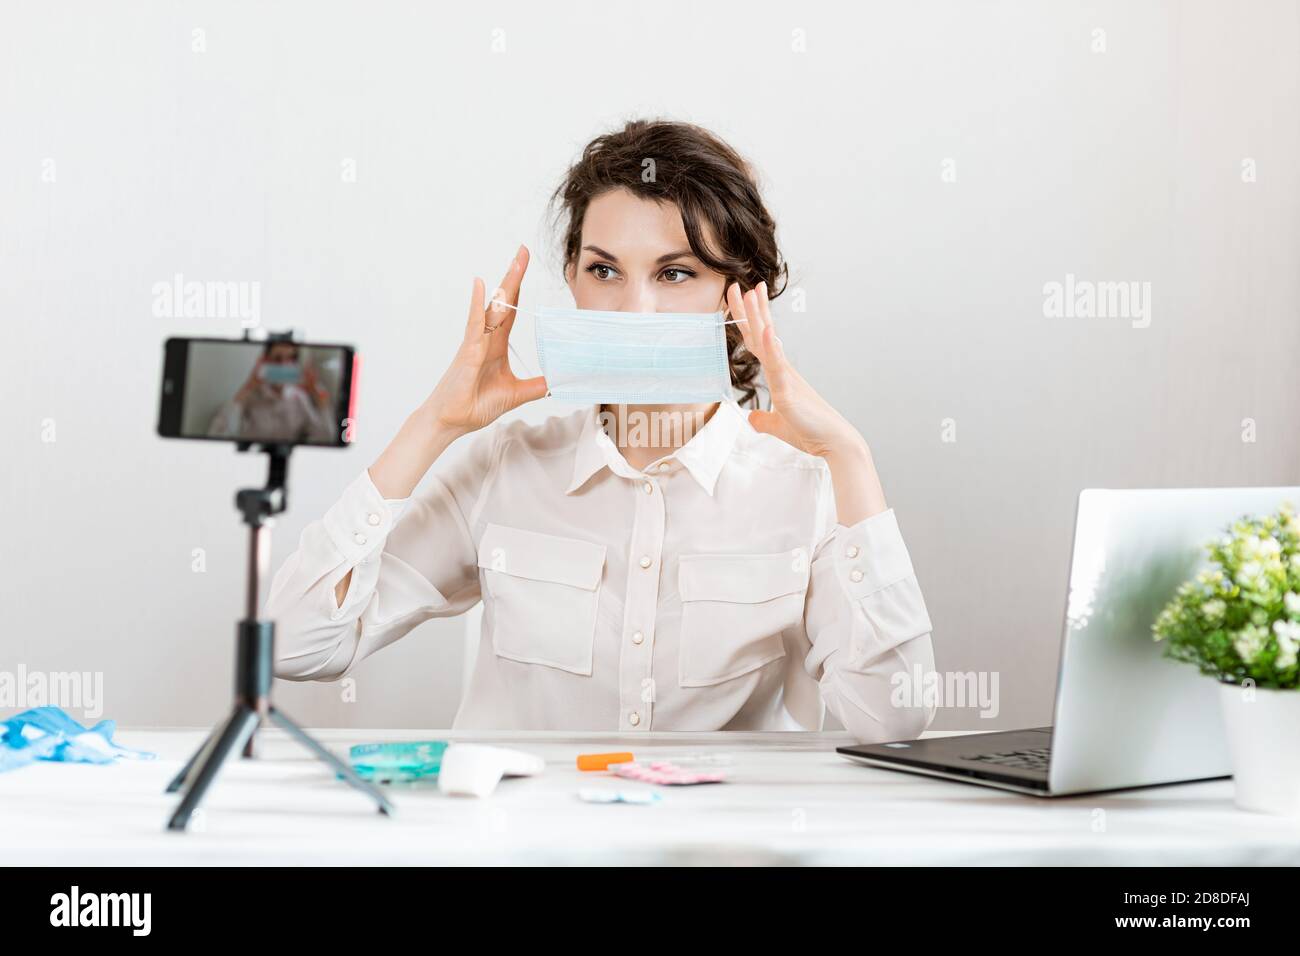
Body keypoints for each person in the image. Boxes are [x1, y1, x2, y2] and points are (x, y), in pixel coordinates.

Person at [266, 119, 936, 741]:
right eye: (605, 270)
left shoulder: (809, 490)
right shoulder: (505, 468)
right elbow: (297, 646)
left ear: (739, 298)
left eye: (675, 273)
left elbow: (893, 719)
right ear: (573, 282)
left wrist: (850, 457)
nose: (634, 311)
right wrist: (432, 425)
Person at [206, 341, 336, 444]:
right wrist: (248, 386)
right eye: (277, 359)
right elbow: (217, 435)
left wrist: (318, 396)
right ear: (265, 361)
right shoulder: (250, 396)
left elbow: (326, 438)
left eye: (291, 358)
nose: (285, 365)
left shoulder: (300, 399)